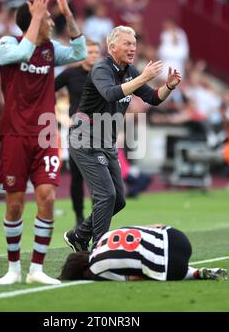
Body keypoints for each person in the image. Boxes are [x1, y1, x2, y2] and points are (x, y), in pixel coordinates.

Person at [0, 0, 86, 285]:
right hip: (15, 133)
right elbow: (22, 53)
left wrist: (68, 14)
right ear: (32, 18)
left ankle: (36, 269)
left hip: (45, 133)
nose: (51, 22)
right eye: (47, 17)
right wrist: (36, 17)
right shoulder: (8, 44)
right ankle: (13, 269)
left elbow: (80, 51)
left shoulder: (51, 50)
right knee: (15, 204)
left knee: (46, 197)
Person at [64, 25, 181, 252]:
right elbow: (111, 93)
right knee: (106, 195)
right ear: (112, 47)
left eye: (134, 44)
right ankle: (99, 250)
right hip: (85, 137)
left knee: (118, 199)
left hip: (105, 141)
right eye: (127, 43)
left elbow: (153, 98)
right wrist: (144, 77)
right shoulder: (101, 68)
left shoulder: (129, 71)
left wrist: (168, 86)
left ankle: (79, 234)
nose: (133, 48)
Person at [60, 224, 227, 282]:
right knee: (154, 255)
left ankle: (194, 273)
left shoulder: (96, 270)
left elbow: (134, 278)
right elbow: (151, 226)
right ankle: (193, 271)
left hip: (174, 268)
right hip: (178, 237)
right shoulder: (104, 236)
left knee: (152, 268)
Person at [55, 40, 101, 227]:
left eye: (96, 52)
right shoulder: (70, 73)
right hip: (77, 131)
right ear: (82, 53)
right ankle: (79, 218)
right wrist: (57, 114)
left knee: (98, 177)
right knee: (77, 177)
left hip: (100, 130)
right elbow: (48, 90)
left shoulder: (104, 74)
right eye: (90, 51)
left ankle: (97, 218)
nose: (93, 55)